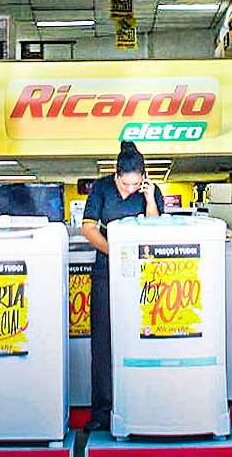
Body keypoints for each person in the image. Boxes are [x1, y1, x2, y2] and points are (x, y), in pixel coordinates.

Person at [80, 141, 164, 432]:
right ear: (116, 176)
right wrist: (114, 253)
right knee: (103, 341)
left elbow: (156, 229)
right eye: (125, 184)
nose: (130, 190)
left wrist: (150, 198)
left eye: (135, 184)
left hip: (143, 272)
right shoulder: (101, 189)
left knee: (143, 335)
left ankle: (144, 404)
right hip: (107, 267)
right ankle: (102, 411)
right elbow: (88, 228)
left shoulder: (149, 191)